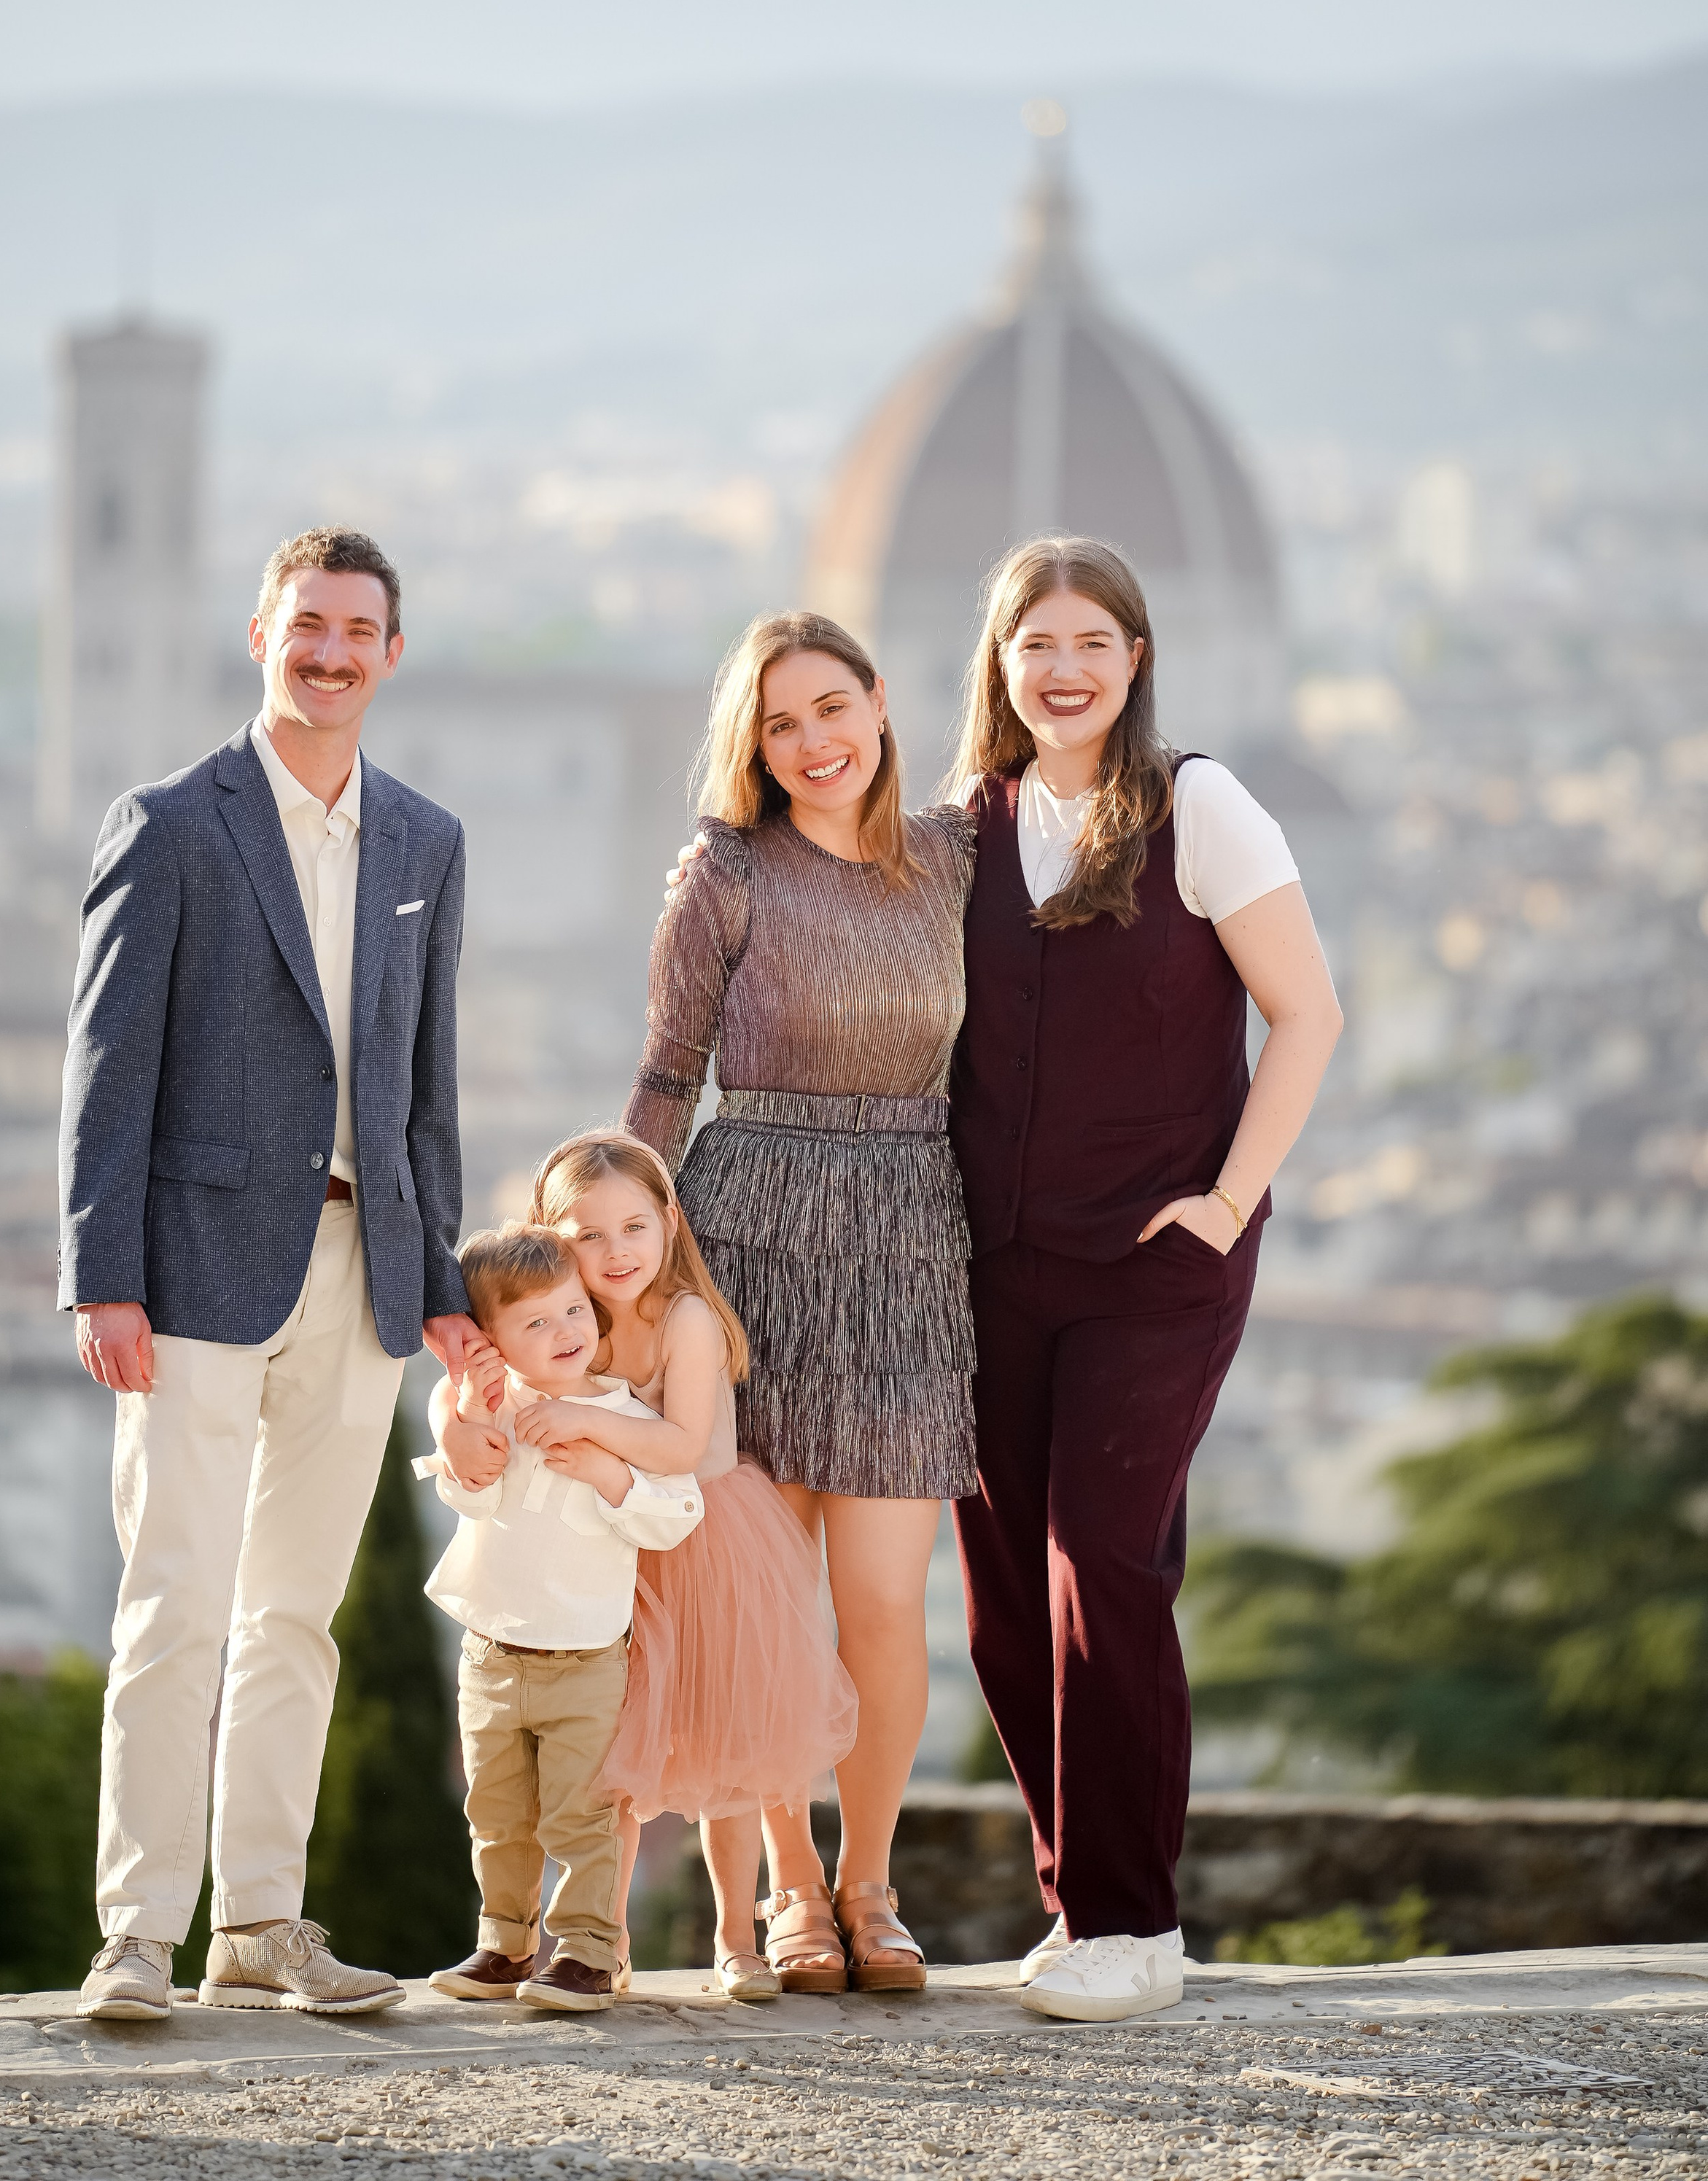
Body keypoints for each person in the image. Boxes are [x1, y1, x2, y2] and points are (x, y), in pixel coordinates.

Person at [62, 524, 478, 2024]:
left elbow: (424, 1084)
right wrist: (100, 1271)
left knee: (295, 1615)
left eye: (357, 630)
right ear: (261, 637)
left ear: (390, 652)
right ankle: (134, 1938)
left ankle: (259, 1923)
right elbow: (109, 1067)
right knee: (174, 1603)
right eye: (307, 625)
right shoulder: (172, 821)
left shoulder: (427, 842)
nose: (330, 652)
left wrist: (438, 1274)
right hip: (187, 1269)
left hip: (360, 1272)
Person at [946, 537, 1344, 2023]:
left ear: (1132, 660)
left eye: (1089, 643)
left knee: (1102, 1560)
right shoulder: (961, 830)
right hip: (989, 1264)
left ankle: (1132, 1923)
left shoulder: (1198, 807)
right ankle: (1073, 1905)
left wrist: (1227, 1202)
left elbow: (1305, 1014)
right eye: (1031, 642)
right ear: (996, 665)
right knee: (997, 1598)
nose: (1060, 668)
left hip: (1156, 1264)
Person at [624, 610, 973, 1992]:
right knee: (766, 1595)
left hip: (909, 1247)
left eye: (833, 707)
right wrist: (620, 1281)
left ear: (883, 704)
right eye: (781, 723)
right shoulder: (724, 870)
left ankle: (874, 1885)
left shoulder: (953, 861)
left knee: (885, 1602)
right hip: (749, 1239)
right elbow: (665, 1069)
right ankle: (794, 1893)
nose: (815, 741)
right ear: (753, 747)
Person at [524, 1129, 858, 2001]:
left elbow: (677, 1445)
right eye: (586, 1237)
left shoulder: (688, 1320)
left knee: (729, 1758)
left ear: (668, 1223)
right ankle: (604, 1940)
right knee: (618, 1764)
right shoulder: (571, 1329)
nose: (613, 1252)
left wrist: (588, 1425)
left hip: (710, 1556)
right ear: (553, 1241)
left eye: (632, 1227)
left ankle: (736, 1935)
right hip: (619, 1557)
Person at [419, 1223, 703, 2013]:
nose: (565, 1332)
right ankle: (505, 1943)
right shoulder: (490, 1407)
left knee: (584, 1818)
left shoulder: (624, 1414)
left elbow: (676, 1515)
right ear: (492, 1341)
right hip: (491, 1654)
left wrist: (609, 1471)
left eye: (573, 1310)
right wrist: (475, 1417)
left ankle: (584, 1950)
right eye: (535, 1323)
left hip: (585, 1659)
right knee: (497, 1814)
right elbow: (463, 1494)